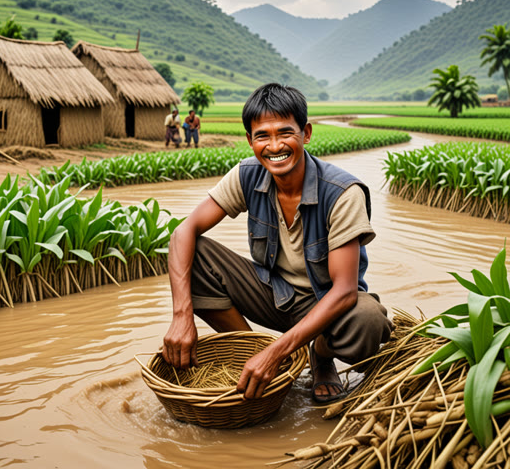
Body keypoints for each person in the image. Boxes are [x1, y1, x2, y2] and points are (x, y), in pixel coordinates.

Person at [162, 83, 392, 404]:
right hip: (273, 293)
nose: (274, 146)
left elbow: (344, 291)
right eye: (262, 136)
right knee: (191, 253)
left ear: (306, 133)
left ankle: (321, 355)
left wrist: (278, 351)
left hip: (326, 302)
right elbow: (183, 231)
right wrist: (181, 316)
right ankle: (249, 350)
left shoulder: (342, 193)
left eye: (285, 133)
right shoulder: (247, 175)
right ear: (250, 141)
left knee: (369, 322)